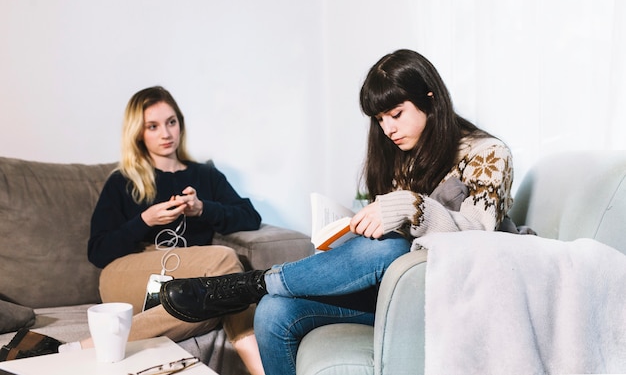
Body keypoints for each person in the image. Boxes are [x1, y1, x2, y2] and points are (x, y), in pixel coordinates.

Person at [159, 49, 516, 375]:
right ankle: (257, 288)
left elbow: (477, 235)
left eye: (396, 114)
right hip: (390, 290)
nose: (388, 129)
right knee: (272, 312)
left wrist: (409, 205)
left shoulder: (488, 153)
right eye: (380, 119)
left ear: (430, 98)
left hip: (443, 294)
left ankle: (251, 284)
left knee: (389, 248)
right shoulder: (405, 155)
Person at [60, 86, 266, 375]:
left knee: (215, 299)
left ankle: (88, 346)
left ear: (180, 123)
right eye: (153, 126)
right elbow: (98, 251)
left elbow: (250, 217)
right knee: (224, 261)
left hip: (191, 276)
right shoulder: (123, 180)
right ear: (139, 134)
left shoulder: (205, 175)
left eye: (171, 122)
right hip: (126, 273)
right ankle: (257, 364)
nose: (166, 134)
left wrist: (202, 209)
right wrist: (144, 220)